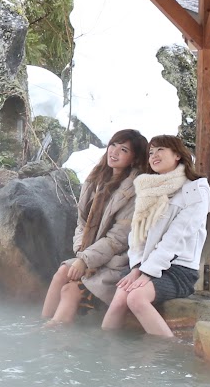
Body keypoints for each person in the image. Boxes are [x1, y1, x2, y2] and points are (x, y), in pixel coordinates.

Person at [102, 134, 210, 337]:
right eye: (151, 152)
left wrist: (147, 272)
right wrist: (136, 268)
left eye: (160, 150)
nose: (154, 155)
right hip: (145, 264)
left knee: (136, 298)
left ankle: (166, 355)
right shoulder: (149, 189)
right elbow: (136, 235)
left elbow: (176, 237)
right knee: (119, 299)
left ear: (177, 154)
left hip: (179, 269)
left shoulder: (196, 190)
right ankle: (104, 357)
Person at [40, 129, 149, 326]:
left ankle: (54, 341)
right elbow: (81, 223)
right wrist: (81, 253)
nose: (114, 152)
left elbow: (117, 239)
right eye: (113, 145)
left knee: (70, 290)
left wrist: (84, 260)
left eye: (123, 149)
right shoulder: (95, 179)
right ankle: (42, 326)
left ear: (134, 159)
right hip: (92, 254)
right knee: (61, 274)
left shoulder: (134, 192)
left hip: (117, 262)